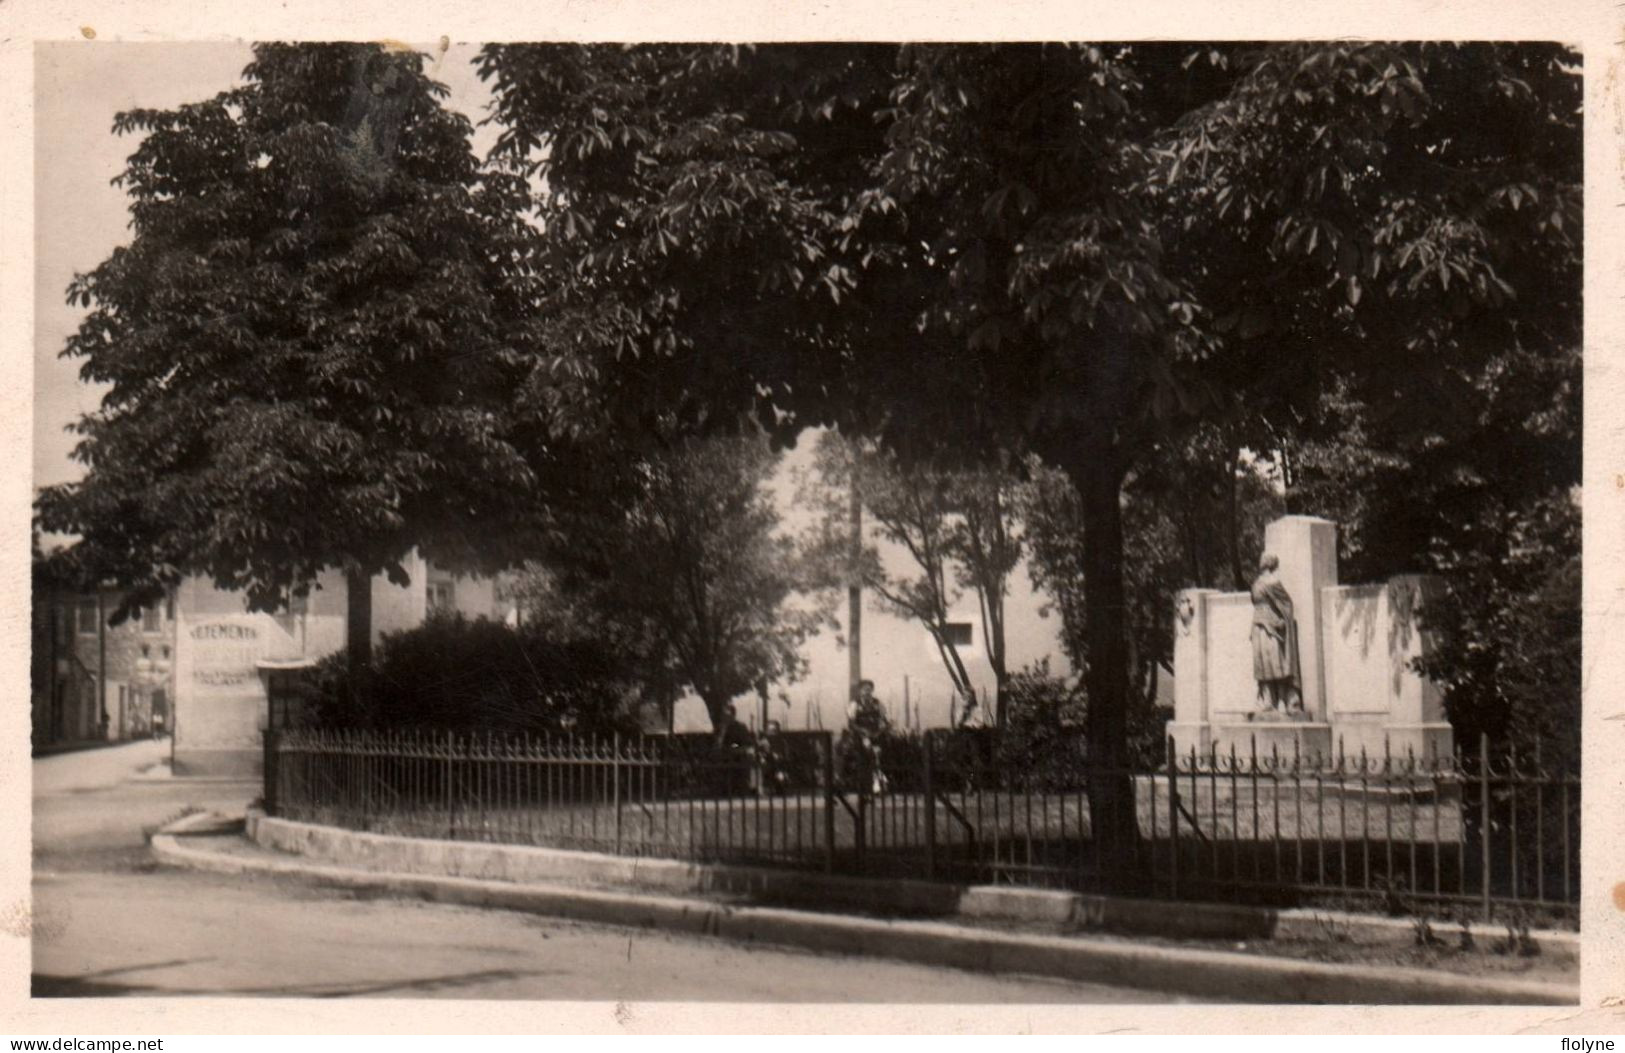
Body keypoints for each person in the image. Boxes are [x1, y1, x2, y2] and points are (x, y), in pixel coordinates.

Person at [1250, 553, 1302, 713]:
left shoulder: (1273, 582)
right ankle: (1267, 700)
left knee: (1276, 663)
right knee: (1262, 664)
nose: (1261, 562)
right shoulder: (1256, 583)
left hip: (1272, 627)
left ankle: (1282, 700)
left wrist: (1282, 621)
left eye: (1264, 560)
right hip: (1258, 626)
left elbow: (1287, 604)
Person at [841, 679, 891, 795]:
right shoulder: (855, 705)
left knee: (879, 756)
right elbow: (851, 723)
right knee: (863, 758)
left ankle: (879, 784)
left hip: (876, 735)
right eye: (864, 690)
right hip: (860, 735)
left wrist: (882, 729)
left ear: (872, 690)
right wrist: (863, 732)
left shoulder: (877, 703)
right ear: (860, 691)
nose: (867, 692)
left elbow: (884, 720)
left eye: (869, 690)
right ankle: (862, 786)